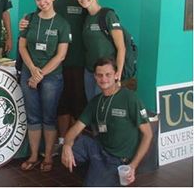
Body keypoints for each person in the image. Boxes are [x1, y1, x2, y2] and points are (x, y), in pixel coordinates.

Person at [20, 0, 87, 150]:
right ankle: (60, 143)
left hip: (74, 60)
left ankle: (76, 146)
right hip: (48, 68)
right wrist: (24, 23)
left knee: (77, 104)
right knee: (61, 106)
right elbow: (32, 27)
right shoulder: (38, 9)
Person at [61, 57, 152, 186]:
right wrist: (67, 145)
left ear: (116, 75)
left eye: (108, 75)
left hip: (117, 159)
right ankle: (96, 171)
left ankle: (101, 175)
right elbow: (75, 128)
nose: (104, 79)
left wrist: (133, 165)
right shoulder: (96, 102)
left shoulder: (130, 99)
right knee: (70, 150)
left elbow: (148, 134)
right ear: (95, 76)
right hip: (99, 149)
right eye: (100, 75)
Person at [19, 0, 71, 172]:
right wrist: (33, 70)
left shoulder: (62, 24)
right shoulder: (29, 19)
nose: (42, 2)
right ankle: (34, 155)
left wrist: (40, 74)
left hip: (51, 78)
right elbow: (22, 46)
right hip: (29, 74)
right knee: (33, 118)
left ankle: (48, 156)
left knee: (48, 118)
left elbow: (61, 55)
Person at [76, 0, 126, 100]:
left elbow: (121, 48)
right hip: (90, 72)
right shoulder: (86, 18)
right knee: (93, 106)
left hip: (107, 73)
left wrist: (117, 75)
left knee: (104, 107)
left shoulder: (108, 15)